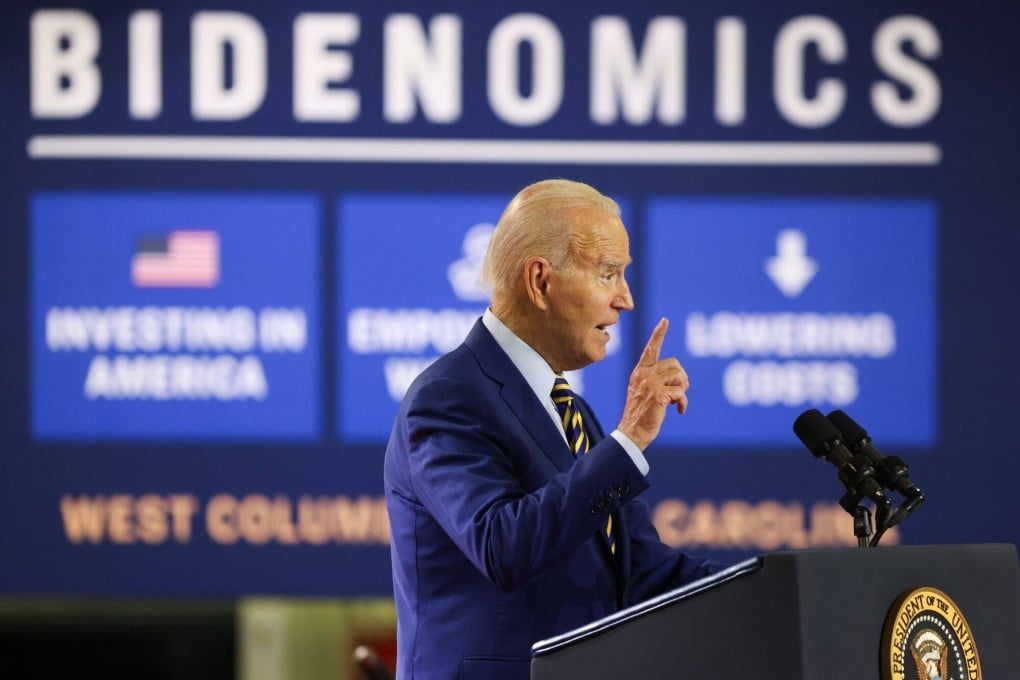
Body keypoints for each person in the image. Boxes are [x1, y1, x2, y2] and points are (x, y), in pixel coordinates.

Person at [384, 179, 725, 680]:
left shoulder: (573, 413)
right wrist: (627, 441)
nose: (626, 299)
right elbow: (502, 546)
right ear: (540, 281)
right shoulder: (448, 397)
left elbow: (642, 571)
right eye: (608, 274)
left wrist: (782, 586)